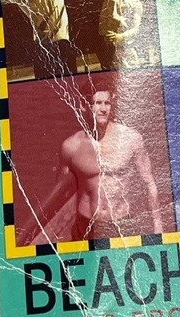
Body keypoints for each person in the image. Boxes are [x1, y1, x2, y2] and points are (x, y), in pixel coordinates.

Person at [57, 86, 164, 241]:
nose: (103, 109)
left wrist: (158, 224)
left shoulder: (130, 139)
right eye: (97, 103)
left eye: (107, 103)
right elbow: (61, 189)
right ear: (83, 105)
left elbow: (149, 183)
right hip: (87, 224)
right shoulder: (71, 146)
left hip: (121, 222)